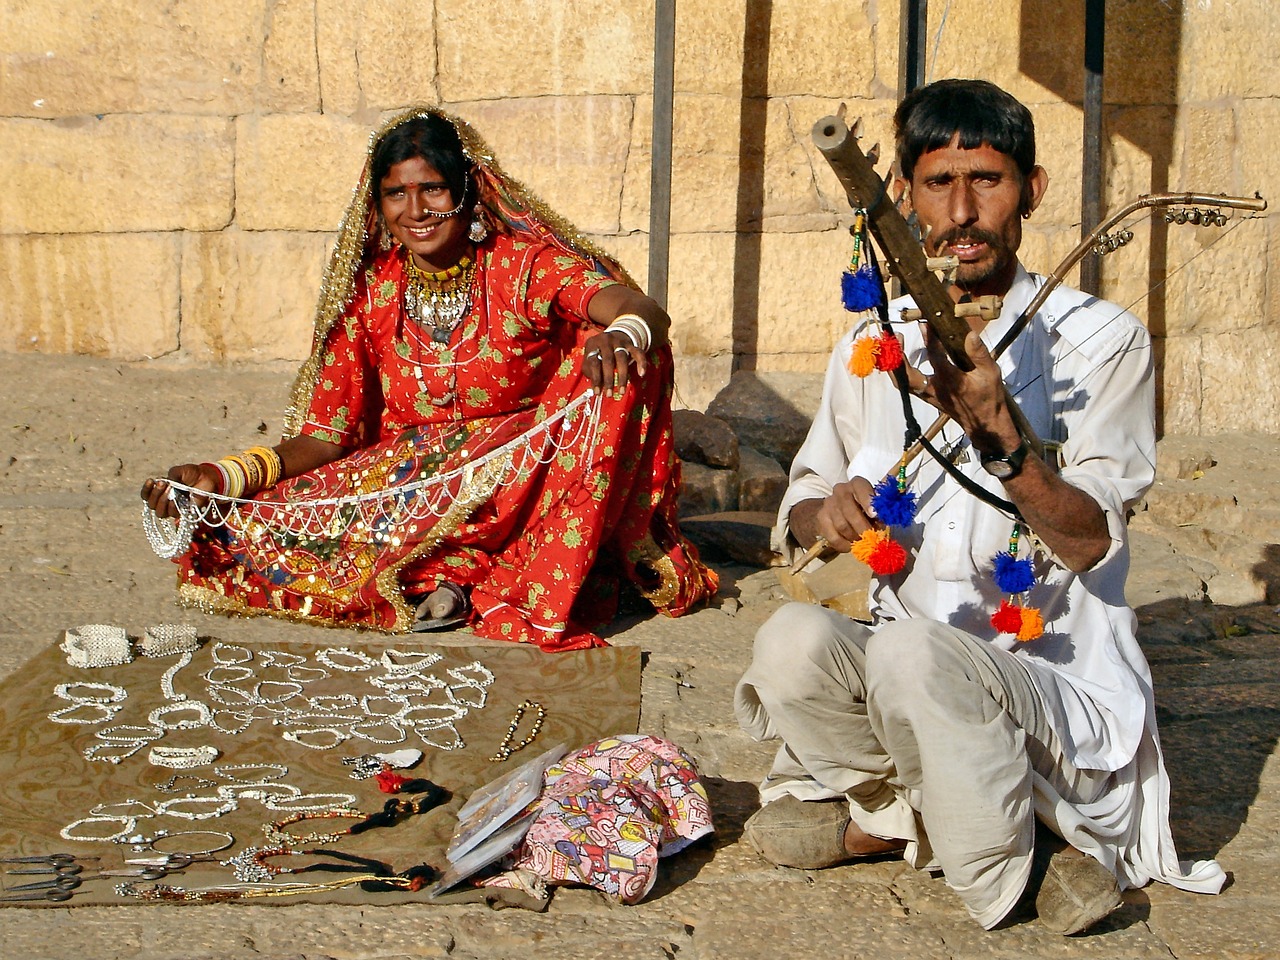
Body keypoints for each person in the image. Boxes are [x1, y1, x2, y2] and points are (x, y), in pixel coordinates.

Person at [733, 79, 1225, 933]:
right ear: (905, 195)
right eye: (938, 184)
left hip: (1049, 691)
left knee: (914, 654)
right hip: (907, 680)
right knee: (791, 643)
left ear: (1031, 191)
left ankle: (948, 833)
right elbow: (804, 501)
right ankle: (996, 827)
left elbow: (1088, 542)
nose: (962, 212)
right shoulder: (873, 342)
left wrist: (1002, 436)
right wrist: (827, 513)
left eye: (987, 181)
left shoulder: (1101, 341)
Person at [141, 106, 717, 652]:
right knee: (241, 529)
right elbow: (325, 436)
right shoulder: (371, 293)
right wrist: (225, 474)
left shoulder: (520, 266)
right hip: (413, 482)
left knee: (624, 363)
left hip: (528, 473)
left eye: (433, 189)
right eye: (397, 193)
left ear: (467, 192)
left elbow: (638, 307)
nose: (415, 210)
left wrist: (624, 333)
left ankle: (513, 575)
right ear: (379, 203)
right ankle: (459, 572)